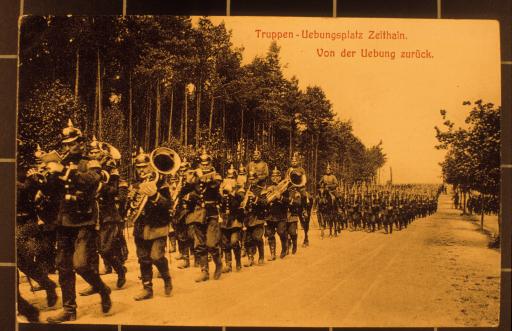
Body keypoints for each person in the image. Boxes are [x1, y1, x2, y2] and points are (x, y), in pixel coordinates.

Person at [47, 120, 112, 323]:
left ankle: (103, 289)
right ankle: (69, 309)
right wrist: (48, 176)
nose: (68, 147)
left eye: (73, 143)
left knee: (82, 264)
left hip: (84, 220)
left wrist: (65, 172)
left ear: (81, 143)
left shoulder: (91, 162)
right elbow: (51, 191)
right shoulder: (61, 162)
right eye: (65, 144)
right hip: (64, 221)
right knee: (63, 266)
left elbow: (88, 182)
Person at [80, 137, 127, 296]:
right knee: (91, 252)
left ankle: (120, 270)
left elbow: (114, 190)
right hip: (90, 215)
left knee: (105, 250)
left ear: (101, 153)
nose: (93, 154)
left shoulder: (111, 168)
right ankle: (95, 284)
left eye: (96, 152)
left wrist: (99, 183)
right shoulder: (85, 167)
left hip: (107, 215)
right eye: (91, 152)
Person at [129, 148, 173, 300]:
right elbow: (131, 205)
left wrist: (154, 196)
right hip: (140, 227)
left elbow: (168, 204)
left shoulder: (161, 184)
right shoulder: (135, 185)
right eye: (138, 168)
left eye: (144, 167)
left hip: (158, 226)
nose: (141, 170)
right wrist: (130, 202)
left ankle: (167, 278)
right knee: (143, 258)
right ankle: (147, 288)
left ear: (151, 166)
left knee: (156, 257)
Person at [181, 147, 223, 282]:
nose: (205, 166)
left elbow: (213, 186)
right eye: (202, 164)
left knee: (211, 244)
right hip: (198, 214)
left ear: (211, 164)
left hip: (211, 213)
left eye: (207, 164)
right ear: (199, 164)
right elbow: (184, 191)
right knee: (200, 244)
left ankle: (218, 264)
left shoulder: (216, 175)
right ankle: (204, 271)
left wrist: (199, 176)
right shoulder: (195, 176)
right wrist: (189, 184)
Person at [220, 165, 244, 272]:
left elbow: (237, 203)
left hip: (235, 220)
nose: (230, 180)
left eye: (232, 178)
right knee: (225, 243)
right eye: (228, 177)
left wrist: (232, 194)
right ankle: (228, 264)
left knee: (234, 242)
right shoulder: (223, 189)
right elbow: (220, 204)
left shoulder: (240, 190)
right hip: (225, 220)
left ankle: (238, 262)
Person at [265, 167, 289, 259]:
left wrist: (280, 197)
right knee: (270, 234)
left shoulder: (285, 188)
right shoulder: (268, 187)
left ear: (280, 177)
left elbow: (288, 201)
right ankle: (272, 254)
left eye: (277, 176)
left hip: (281, 215)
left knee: (281, 232)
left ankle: (284, 247)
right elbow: (264, 199)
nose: (275, 178)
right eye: (273, 176)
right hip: (270, 214)